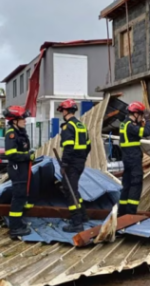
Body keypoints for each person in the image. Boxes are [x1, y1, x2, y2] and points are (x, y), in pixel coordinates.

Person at [57, 99, 91, 232]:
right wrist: (81, 158)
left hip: (71, 163)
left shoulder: (68, 127)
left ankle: (76, 223)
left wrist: (64, 164)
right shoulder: (81, 126)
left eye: (62, 111)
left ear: (65, 111)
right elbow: (88, 146)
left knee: (70, 191)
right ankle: (83, 215)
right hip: (80, 162)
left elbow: (68, 147)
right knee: (74, 189)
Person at [3, 105, 34, 238]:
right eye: (22, 118)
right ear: (14, 120)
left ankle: (18, 223)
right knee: (18, 197)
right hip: (17, 169)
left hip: (22, 168)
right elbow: (11, 154)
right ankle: (15, 227)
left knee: (22, 196)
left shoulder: (20, 132)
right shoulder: (11, 134)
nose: (25, 121)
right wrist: (27, 156)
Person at [118, 102, 150, 216]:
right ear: (136, 113)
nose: (142, 117)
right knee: (136, 184)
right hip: (133, 158)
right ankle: (131, 214)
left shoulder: (124, 123)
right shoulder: (131, 125)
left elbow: (134, 134)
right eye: (141, 114)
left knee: (127, 185)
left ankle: (121, 213)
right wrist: (148, 121)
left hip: (127, 158)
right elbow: (147, 132)